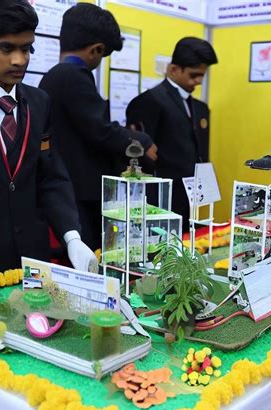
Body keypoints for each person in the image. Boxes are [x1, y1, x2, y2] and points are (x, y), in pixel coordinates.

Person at [0, 0, 96, 278]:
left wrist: (71, 236)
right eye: (7, 49)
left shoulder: (39, 102)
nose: (20, 60)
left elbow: (50, 176)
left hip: (32, 260)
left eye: (27, 48)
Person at [40, 3, 157, 251]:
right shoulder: (75, 76)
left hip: (66, 186)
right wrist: (141, 141)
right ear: (97, 50)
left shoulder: (52, 76)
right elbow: (101, 131)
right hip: (81, 193)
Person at [126, 37, 217, 230]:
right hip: (159, 199)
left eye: (203, 75)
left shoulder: (200, 108)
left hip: (190, 196)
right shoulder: (148, 102)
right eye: (194, 75)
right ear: (174, 69)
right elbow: (139, 158)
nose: (199, 81)